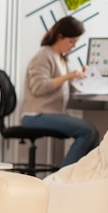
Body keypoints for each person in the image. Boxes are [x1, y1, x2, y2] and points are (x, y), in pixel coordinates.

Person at [21, 16, 100, 167]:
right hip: (35, 115)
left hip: (50, 114)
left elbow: (67, 86)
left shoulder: (61, 59)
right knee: (88, 131)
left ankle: (82, 178)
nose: (73, 46)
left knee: (92, 133)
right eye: (71, 41)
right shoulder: (44, 55)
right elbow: (38, 87)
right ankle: (62, 177)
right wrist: (68, 76)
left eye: (76, 42)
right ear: (60, 36)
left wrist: (82, 76)